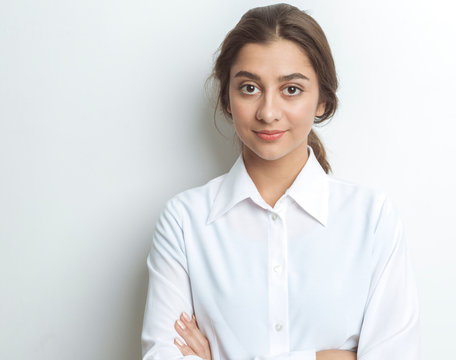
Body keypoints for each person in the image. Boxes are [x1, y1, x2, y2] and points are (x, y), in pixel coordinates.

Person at [141, 3, 420, 360]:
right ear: (227, 98)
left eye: (291, 89)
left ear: (322, 100)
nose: (268, 112)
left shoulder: (372, 219)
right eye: (249, 88)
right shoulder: (185, 221)